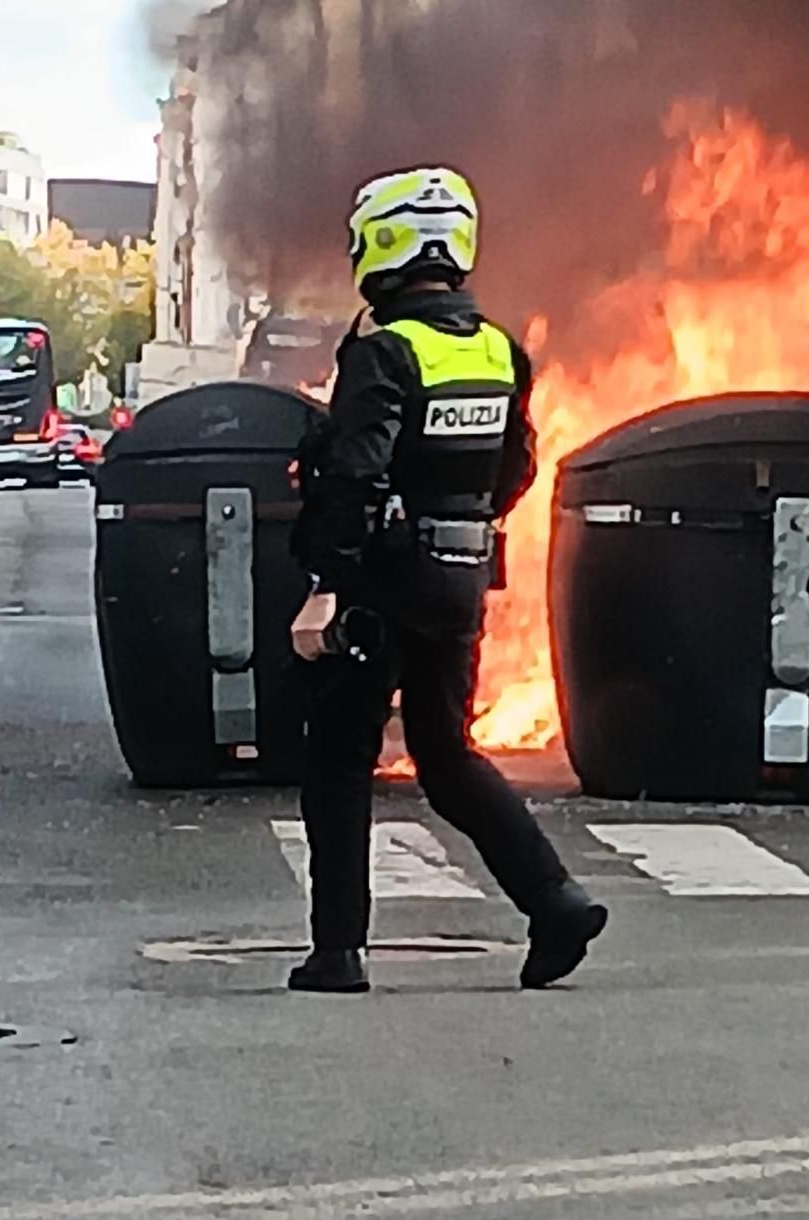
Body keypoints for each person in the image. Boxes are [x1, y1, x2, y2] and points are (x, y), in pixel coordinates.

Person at [288, 166, 607, 995]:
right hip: (461, 579)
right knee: (446, 753)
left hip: (380, 584)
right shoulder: (500, 348)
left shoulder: (384, 350)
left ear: (381, 245)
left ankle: (337, 951)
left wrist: (327, 582)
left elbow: (356, 473)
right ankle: (555, 902)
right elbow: (517, 468)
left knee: (338, 758)